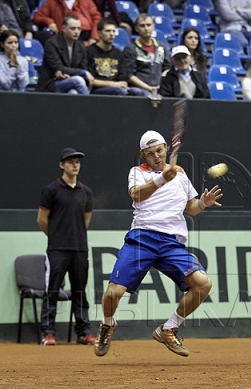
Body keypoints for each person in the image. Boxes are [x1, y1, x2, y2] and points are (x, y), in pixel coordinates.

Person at [95, 130, 223, 358]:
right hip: (142, 238)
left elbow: (190, 208)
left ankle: (168, 329)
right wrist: (162, 178)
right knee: (113, 293)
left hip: (171, 243)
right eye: (150, 153)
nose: (156, 156)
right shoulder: (137, 172)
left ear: (166, 148)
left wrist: (203, 202)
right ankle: (107, 325)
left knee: (203, 284)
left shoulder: (181, 175)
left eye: (159, 151)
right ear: (143, 155)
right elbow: (136, 195)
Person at [37, 148, 95, 346]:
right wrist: (57, 237)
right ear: (62, 165)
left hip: (80, 249)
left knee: (80, 291)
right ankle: (48, 332)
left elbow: (86, 219)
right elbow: (42, 219)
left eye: (77, 161)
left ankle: (84, 331)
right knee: (51, 290)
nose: (75, 165)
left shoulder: (86, 192)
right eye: (70, 161)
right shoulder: (51, 190)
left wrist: (74, 236)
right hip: (57, 250)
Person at [86, 17, 146, 96]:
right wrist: (113, 84)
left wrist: (120, 84)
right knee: (120, 92)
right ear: (99, 33)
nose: (111, 34)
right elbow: (92, 80)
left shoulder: (119, 54)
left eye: (113, 31)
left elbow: (123, 77)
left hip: (117, 87)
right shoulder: (89, 52)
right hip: (97, 89)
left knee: (138, 92)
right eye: (107, 31)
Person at [36, 15, 92, 94]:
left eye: (79, 29)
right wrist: (84, 73)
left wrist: (73, 74)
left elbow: (83, 67)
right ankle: (90, 105)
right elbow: (59, 67)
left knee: (73, 92)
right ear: (63, 28)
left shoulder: (80, 46)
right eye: (72, 28)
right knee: (77, 80)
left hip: (70, 81)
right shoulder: (52, 43)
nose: (76, 32)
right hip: (52, 83)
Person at [120, 13, 169, 96]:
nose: (146, 28)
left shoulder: (161, 47)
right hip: (140, 89)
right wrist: (149, 88)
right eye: (142, 26)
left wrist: (162, 83)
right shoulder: (131, 49)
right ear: (136, 28)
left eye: (148, 25)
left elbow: (167, 68)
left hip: (160, 87)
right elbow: (130, 76)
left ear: (153, 26)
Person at [32, 0, 101, 44]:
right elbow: (36, 17)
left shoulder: (86, 1)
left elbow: (97, 19)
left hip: (86, 34)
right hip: (63, 36)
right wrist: (49, 22)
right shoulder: (52, 2)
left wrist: (94, 37)